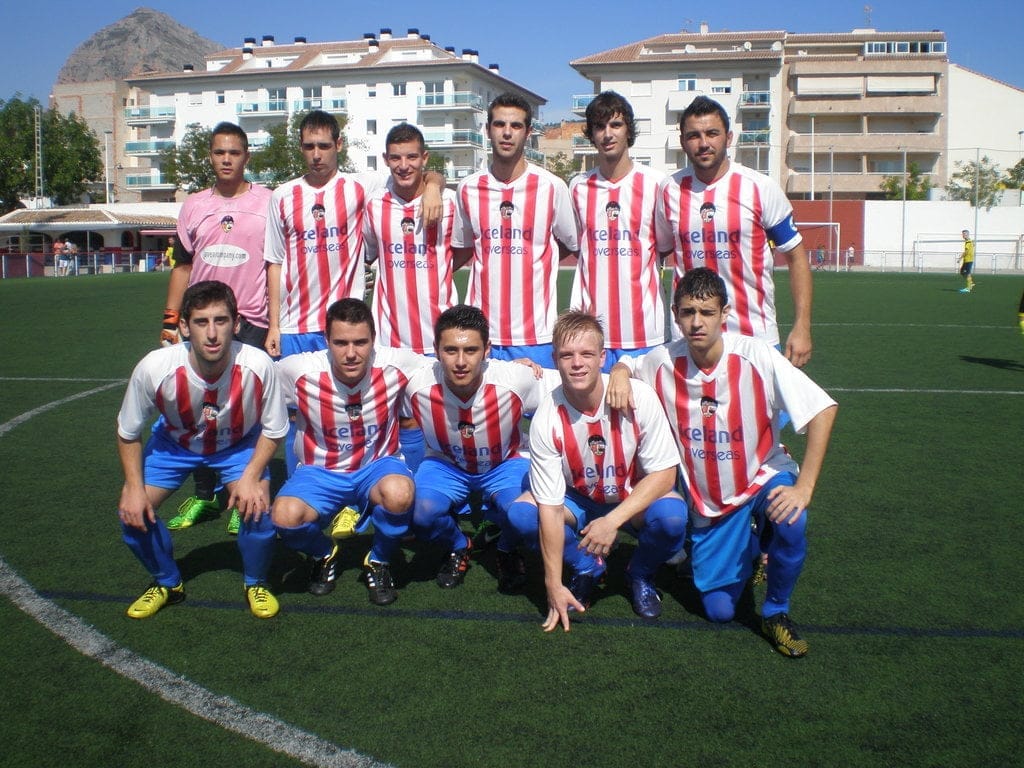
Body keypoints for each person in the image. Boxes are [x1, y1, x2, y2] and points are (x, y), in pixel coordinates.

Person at [608, 268, 837, 657]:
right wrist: (618, 370)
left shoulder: (756, 355)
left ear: (724, 313)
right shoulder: (663, 361)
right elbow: (631, 362)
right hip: (710, 502)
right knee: (719, 611)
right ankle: (750, 546)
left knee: (792, 519)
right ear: (676, 315)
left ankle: (776, 611)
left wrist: (805, 487)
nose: (696, 322)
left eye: (706, 312)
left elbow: (822, 409)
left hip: (763, 472)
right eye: (687, 312)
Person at [116, 281, 288, 619]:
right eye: (201, 322)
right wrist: (134, 489)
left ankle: (255, 582)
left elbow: (276, 429)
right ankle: (167, 582)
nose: (212, 333)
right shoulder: (155, 367)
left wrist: (252, 476)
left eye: (221, 321)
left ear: (236, 324)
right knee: (132, 515)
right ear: (183, 326)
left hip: (238, 446)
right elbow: (127, 433)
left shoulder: (259, 365)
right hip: (174, 445)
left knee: (257, 508)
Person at [509, 311, 686, 632]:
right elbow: (549, 508)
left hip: (628, 499)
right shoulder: (548, 415)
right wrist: (553, 583)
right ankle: (586, 566)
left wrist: (612, 522)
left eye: (587, 354)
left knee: (672, 516)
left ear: (603, 357)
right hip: (578, 499)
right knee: (522, 516)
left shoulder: (638, 396)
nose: (577, 363)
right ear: (555, 359)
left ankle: (640, 573)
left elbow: (664, 475)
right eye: (567, 355)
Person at [271, 298, 429, 606]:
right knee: (283, 517)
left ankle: (379, 561)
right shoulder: (298, 370)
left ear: (374, 341)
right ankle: (323, 552)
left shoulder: (397, 364)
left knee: (400, 494)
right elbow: (253, 380)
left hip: (377, 467)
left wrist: (508, 367)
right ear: (326, 341)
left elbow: (448, 368)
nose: (352, 353)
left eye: (361, 342)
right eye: (341, 343)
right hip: (320, 471)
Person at [160, 122, 274, 533]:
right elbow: (183, 266)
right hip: (202, 323)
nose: (227, 159)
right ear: (210, 156)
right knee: (198, 411)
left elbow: (276, 266)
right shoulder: (193, 206)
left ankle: (243, 489)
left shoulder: (268, 202)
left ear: (247, 156)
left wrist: (275, 321)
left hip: (251, 321)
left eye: (235, 152)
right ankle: (206, 496)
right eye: (219, 152)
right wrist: (171, 321)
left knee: (247, 411)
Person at [403, 305, 557, 592]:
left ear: (487, 350)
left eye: (470, 350)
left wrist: (621, 375)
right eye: (450, 350)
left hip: (504, 463)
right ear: (435, 349)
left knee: (525, 516)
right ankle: (460, 545)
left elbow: (569, 389)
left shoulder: (515, 378)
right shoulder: (416, 383)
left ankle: (507, 548)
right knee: (418, 514)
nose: (461, 361)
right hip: (445, 464)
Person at [655, 96, 813, 368]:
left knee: (767, 412)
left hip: (755, 336)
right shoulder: (669, 190)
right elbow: (658, 252)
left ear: (728, 138)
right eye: (694, 135)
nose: (703, 143)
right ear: (683, 142)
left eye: (712, 133)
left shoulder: (760, 187)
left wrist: (802, 326)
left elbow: (796, 257)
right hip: (691, 339)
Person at [453, 92, 579, 366]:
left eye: (516, 126)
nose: (507, 133)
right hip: (480, 335)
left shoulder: (551, 187)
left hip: (535, 337)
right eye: (499, 125)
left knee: (536, 410)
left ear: (528, 132)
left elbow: (572, 242)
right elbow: (462, 248)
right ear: (487, 130)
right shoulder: (467, 188)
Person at [364, 122, 460, 473]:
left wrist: (434, 185)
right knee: (405, 419)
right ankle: (412, 485)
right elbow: (369, 253)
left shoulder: (448, 202)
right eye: (395, 158)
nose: (403, 165)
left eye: (411, 157)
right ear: (386, 160)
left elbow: (461, 250)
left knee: (450, 416)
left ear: (424, 158)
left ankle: (457, 489)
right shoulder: (374, 205)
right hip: (393, 334)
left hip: (441, 333)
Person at [569, 91, 669, 372]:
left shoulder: (656, 184)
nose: (607, 134)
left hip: (645, 332)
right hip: (594, 333)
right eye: (599, 127)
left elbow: (663, 246)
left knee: (645, 412)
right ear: (591, 134)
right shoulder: (578, 187)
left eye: (615, 125)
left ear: (629, 131)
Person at [957, 229, 975, 293]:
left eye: (964, 234)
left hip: (968, 260)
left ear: (967, 234)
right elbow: (973, 245)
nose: (963, 235)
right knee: (962, 272)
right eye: (962, 234)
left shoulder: (968, 242)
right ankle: (970, 283)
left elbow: (966, 252)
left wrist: (960, 258)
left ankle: (968, 288)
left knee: (967, 273)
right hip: (967, 260)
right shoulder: (969, 241)